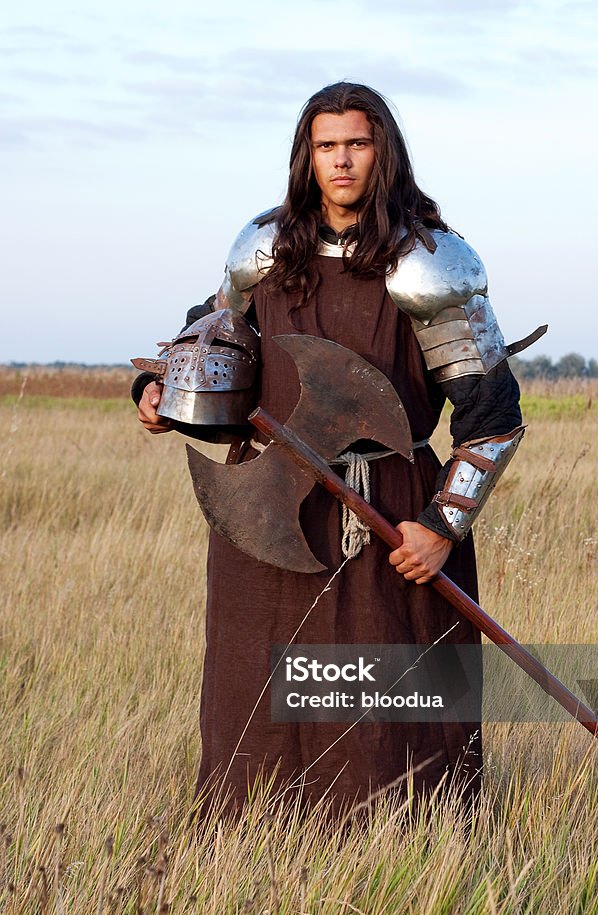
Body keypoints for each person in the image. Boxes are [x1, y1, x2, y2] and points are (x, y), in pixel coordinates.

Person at [134, 82, 536, 820]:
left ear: (381, 151)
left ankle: (401, 852)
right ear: (306, 155)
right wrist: (162, 394)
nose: (341, 161)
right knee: (254, 690)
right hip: (267, 505)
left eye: (356, 143)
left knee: (386, 700)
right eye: (326, 146)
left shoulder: (428, 263)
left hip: (387, 513)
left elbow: (493, 418)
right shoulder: (263, 249)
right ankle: (252, 845)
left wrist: (442, 525)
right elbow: (209, 344)